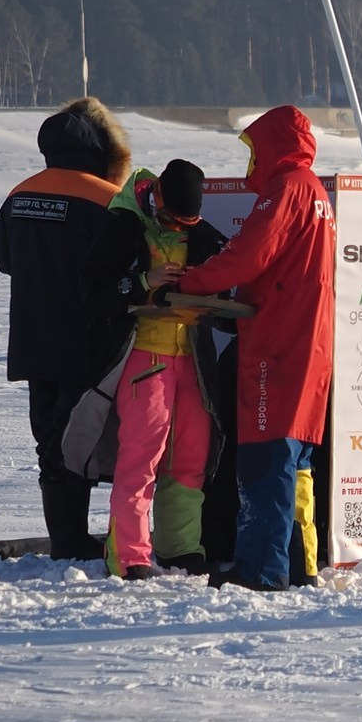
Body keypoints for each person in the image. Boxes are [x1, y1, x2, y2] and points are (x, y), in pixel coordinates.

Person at [171, 106, 335, 592]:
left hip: (280, 348)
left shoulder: (287, 187)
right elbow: (279, 269)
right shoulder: (313, 190)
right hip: (308, 344)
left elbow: (250, 255)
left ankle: (261, 570)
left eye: (254, 149)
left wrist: (193, 282)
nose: (251, 162)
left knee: (267, 458)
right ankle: (297, 562)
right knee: (296, 461)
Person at [0, 99, 135, 559]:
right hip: (88, 342)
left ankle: (66, 536)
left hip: (33, 340)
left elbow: (6, 262)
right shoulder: (106, 200)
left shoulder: (18, 194)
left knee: (50, 443)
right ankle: (78, 543)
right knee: (81, 440)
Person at [101, 160, 226, 579]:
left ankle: (181, 547)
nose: (178, 230)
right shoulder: (122, 226)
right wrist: (143, 282)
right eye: (172, 222)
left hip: (192, 357)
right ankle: (129, 555)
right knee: (141, 458)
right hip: (145, 356)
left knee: (190, 457)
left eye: (186, 224)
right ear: (155, 200)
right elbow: (92, 291)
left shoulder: (204, 236)